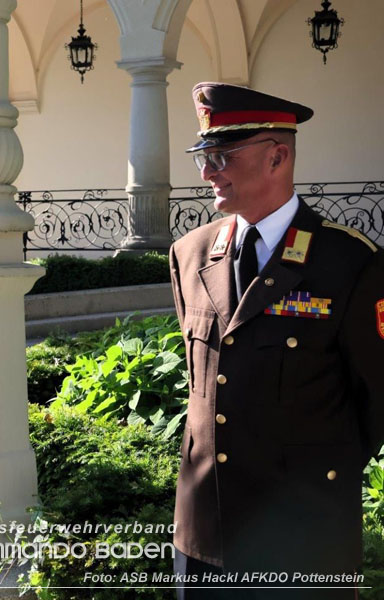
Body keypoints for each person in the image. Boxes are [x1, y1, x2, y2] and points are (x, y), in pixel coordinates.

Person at [169, 82, 384, 599]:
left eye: (221, 155)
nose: (206, 172)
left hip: (304, 533)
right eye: (203, 155)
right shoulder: (190, 254)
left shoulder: (348, 263)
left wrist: (313, 479)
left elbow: (376, 397)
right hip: (204, 531)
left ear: (277, 156)